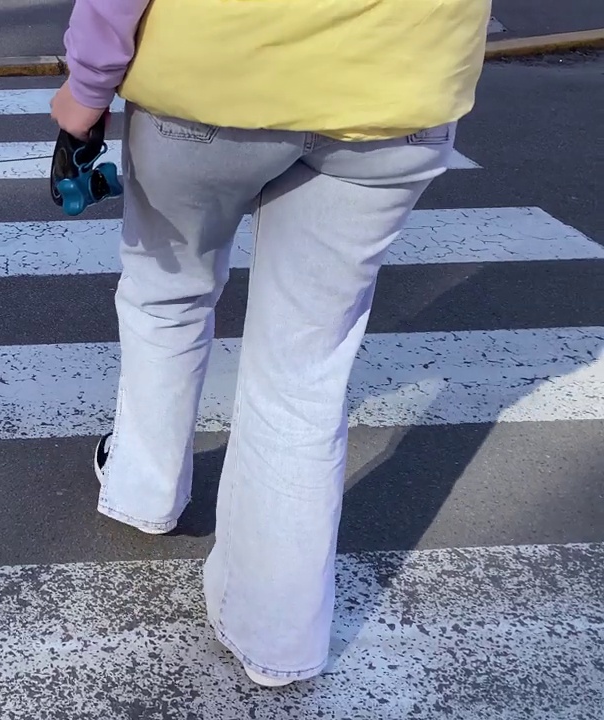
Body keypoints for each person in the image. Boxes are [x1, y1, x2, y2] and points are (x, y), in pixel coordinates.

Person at [51, 0, 491, 687]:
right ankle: (275, 636)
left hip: (209, 76)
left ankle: (145, 487)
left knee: (167, 292)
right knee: (303, 371)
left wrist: (86, 88)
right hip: (398, 87)